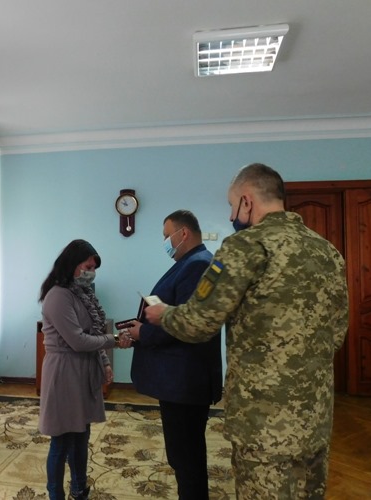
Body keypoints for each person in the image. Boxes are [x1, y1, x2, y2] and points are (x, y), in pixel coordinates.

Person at [145, 163, 349, 499]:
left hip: (263, 421)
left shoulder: (244, 247)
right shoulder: (327, 251)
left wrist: (164, 314)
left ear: (247, 200)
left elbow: (199, 322)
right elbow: (338, 331)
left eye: (231, 205)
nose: (230, 216)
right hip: (314, 416)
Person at [123, 209, 222, 500]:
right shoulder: (191, 262)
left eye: (167, 236)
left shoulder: (197, 265)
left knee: (186, 458)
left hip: (185, 381)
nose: (165, 242)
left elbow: (186, 324)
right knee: (183, 455)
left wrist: (144, 332)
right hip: (182, 381)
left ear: (184, 233)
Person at [38, 239, 123, 500]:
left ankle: (79, 487)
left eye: (94, 268)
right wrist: (114, 340)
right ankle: (56, 494)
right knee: (62, 439)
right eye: (88, 267)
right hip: (64, 372)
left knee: (81, 434)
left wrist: (105, 362)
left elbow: (93, 332)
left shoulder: (82, 293)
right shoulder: (58, 296)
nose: (91, 273)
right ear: (72, 264)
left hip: (83, 369)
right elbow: (77, 340)